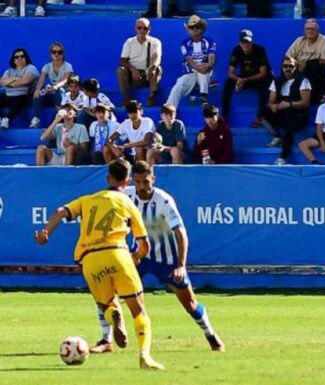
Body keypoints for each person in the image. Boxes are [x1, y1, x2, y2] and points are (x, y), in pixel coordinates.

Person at [34, 159, 165, 370]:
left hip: (91, 259)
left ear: (108, 179)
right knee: (139, 311)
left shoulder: (87, 200)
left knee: (106, 304)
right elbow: (144, 244)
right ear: (128, 180)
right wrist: (137, 256)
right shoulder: (128, 203)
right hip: (117, 253)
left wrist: (46, 232)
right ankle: (144, 356)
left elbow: (61, 211)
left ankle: (114, 318)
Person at [89, 161, 224, 354]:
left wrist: (181, 266)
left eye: (146, 182)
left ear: (153, 178)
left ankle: (211, 335)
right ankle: (106, 339)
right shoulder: (125, 196)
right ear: (132, 181)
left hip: (167, 261)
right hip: (138, 257)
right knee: (105, 291)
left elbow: (180, 232)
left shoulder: (163, 200)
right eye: (138, 182)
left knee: (190, 304)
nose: (142, 187)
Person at [261, 57, 311, 165]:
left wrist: (289, 104)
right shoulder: (277, 81)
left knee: (290, 128)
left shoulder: (303, 81)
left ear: (296, 67)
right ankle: (278, 136)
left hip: (299, 115)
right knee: (263, 112)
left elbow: (305, 102)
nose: (287, 68)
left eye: (291, 66)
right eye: (285, 66)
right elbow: (270, 101)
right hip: (283, 113)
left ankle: (283, 157)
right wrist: (272, 106)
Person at [221, 29, 272, 126]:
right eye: (243, 43)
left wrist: (245, 80)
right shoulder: (236, 51)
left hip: (259, 77)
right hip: (245, 77)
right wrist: (239, 80)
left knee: (264, 85)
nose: (245, 45)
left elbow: (263, 73)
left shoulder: (259, 50)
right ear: (239, 43)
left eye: (247, 42)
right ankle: (224, 116)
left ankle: (260, 117)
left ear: (251, 41)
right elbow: (231, 73)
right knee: (228, 83)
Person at [166, 15, 217, 108]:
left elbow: (212, 55)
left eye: (197, 27)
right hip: (190, 73)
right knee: (179, 85)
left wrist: (209, 64)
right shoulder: (185, 43)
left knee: (204, 72)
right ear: (188, 30)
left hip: (206, 72)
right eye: (191, 27)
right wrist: (198, 68)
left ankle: (203, 97)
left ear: (201, 29)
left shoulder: (209, 41)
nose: (194, 29)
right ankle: (169, 109)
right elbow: (189, 59)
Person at [285, 19, 325, 104]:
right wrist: (299, 64)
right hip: (299, 66)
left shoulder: (324, 40)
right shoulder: (299, 40)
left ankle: (318, 97)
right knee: (287, 66)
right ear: (304, 31)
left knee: (313, 68)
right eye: (308, 29)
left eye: (312, 29)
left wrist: (307, 64)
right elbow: (287, 56)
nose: (310, 31)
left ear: (317, 30)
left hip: (318, 69)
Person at [117, 18, 163, 107]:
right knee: (121, 70)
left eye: (144, 28)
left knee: (157, 69)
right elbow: (123, 60)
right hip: (133, 75)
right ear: (135, 29)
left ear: (149, 29)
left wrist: (152, 67)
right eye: (139, 28)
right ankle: (127, 97)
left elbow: (156, 56)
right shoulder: (129, 42)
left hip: (148, 74)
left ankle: (152, 96)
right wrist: (132, 69)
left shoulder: (155, 42)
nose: (142, 30)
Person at [31, 42, 73, 128]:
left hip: (64, 93)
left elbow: (65, 80)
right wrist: (38, 89)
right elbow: (41, 81)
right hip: (51, 91)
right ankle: (36, 119)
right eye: (54, 52)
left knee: (59, 91)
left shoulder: (68, 66)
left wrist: (56, 86)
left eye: (59, 52)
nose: (56, 54)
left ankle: (59, 116)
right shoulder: (47, 66)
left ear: (63, 54)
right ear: (51, 54)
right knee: (38, 94)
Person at [0, 48, 39, 129]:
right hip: (8, 95)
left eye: (22, 56)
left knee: (19, 100)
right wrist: (16, 78)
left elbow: (25, 81)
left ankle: (6, 120)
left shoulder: (31, 68)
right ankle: (1, 119)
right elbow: (2, 81)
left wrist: (9, 83)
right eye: (16, 57)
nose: (19, 58)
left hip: (24, 95)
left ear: (26, 58)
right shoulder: (9, 71)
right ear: (13, 60)